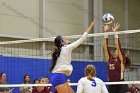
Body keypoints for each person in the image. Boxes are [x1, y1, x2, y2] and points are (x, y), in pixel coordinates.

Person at [49, 19, 96, 93]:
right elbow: (82, 39)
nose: (66, 38)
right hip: (58, 77)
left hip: (57, 77)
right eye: (64, 38)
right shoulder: (67, 48)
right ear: (62, 42)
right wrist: (90, 26)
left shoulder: (59, 51)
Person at [103, 23, 131, 93]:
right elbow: (105, 48)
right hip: (111, 84)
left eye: (118, 50)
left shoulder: (122, 60)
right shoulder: (110, 59)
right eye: (116, 50)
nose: (116, 50)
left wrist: (115, 33)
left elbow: (118, 46)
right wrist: (105, 33)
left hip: (120, 83)